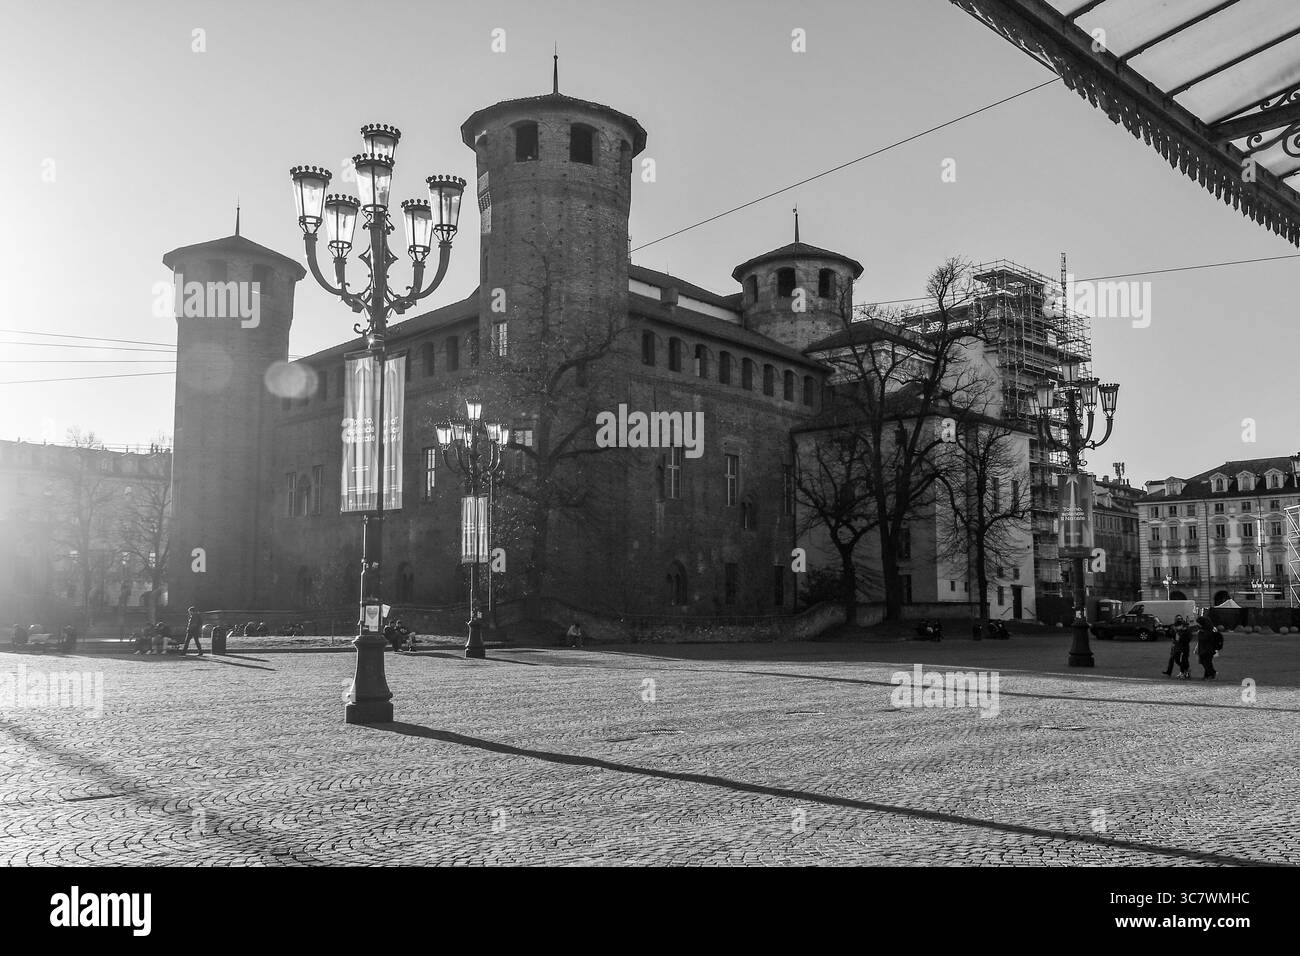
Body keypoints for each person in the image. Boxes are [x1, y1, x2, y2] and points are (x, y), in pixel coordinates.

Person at [1195, 615, 1221, 680]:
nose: (1197, 624)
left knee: (1206, 662)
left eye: (1198, 623)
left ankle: (1212, 673)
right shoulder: (1203, 630)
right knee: (1205, 662)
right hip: (1203, 648)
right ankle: (1208, 675)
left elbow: (1204, 638)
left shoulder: (1208, 630)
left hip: (1207, 649)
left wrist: (1200, 633)